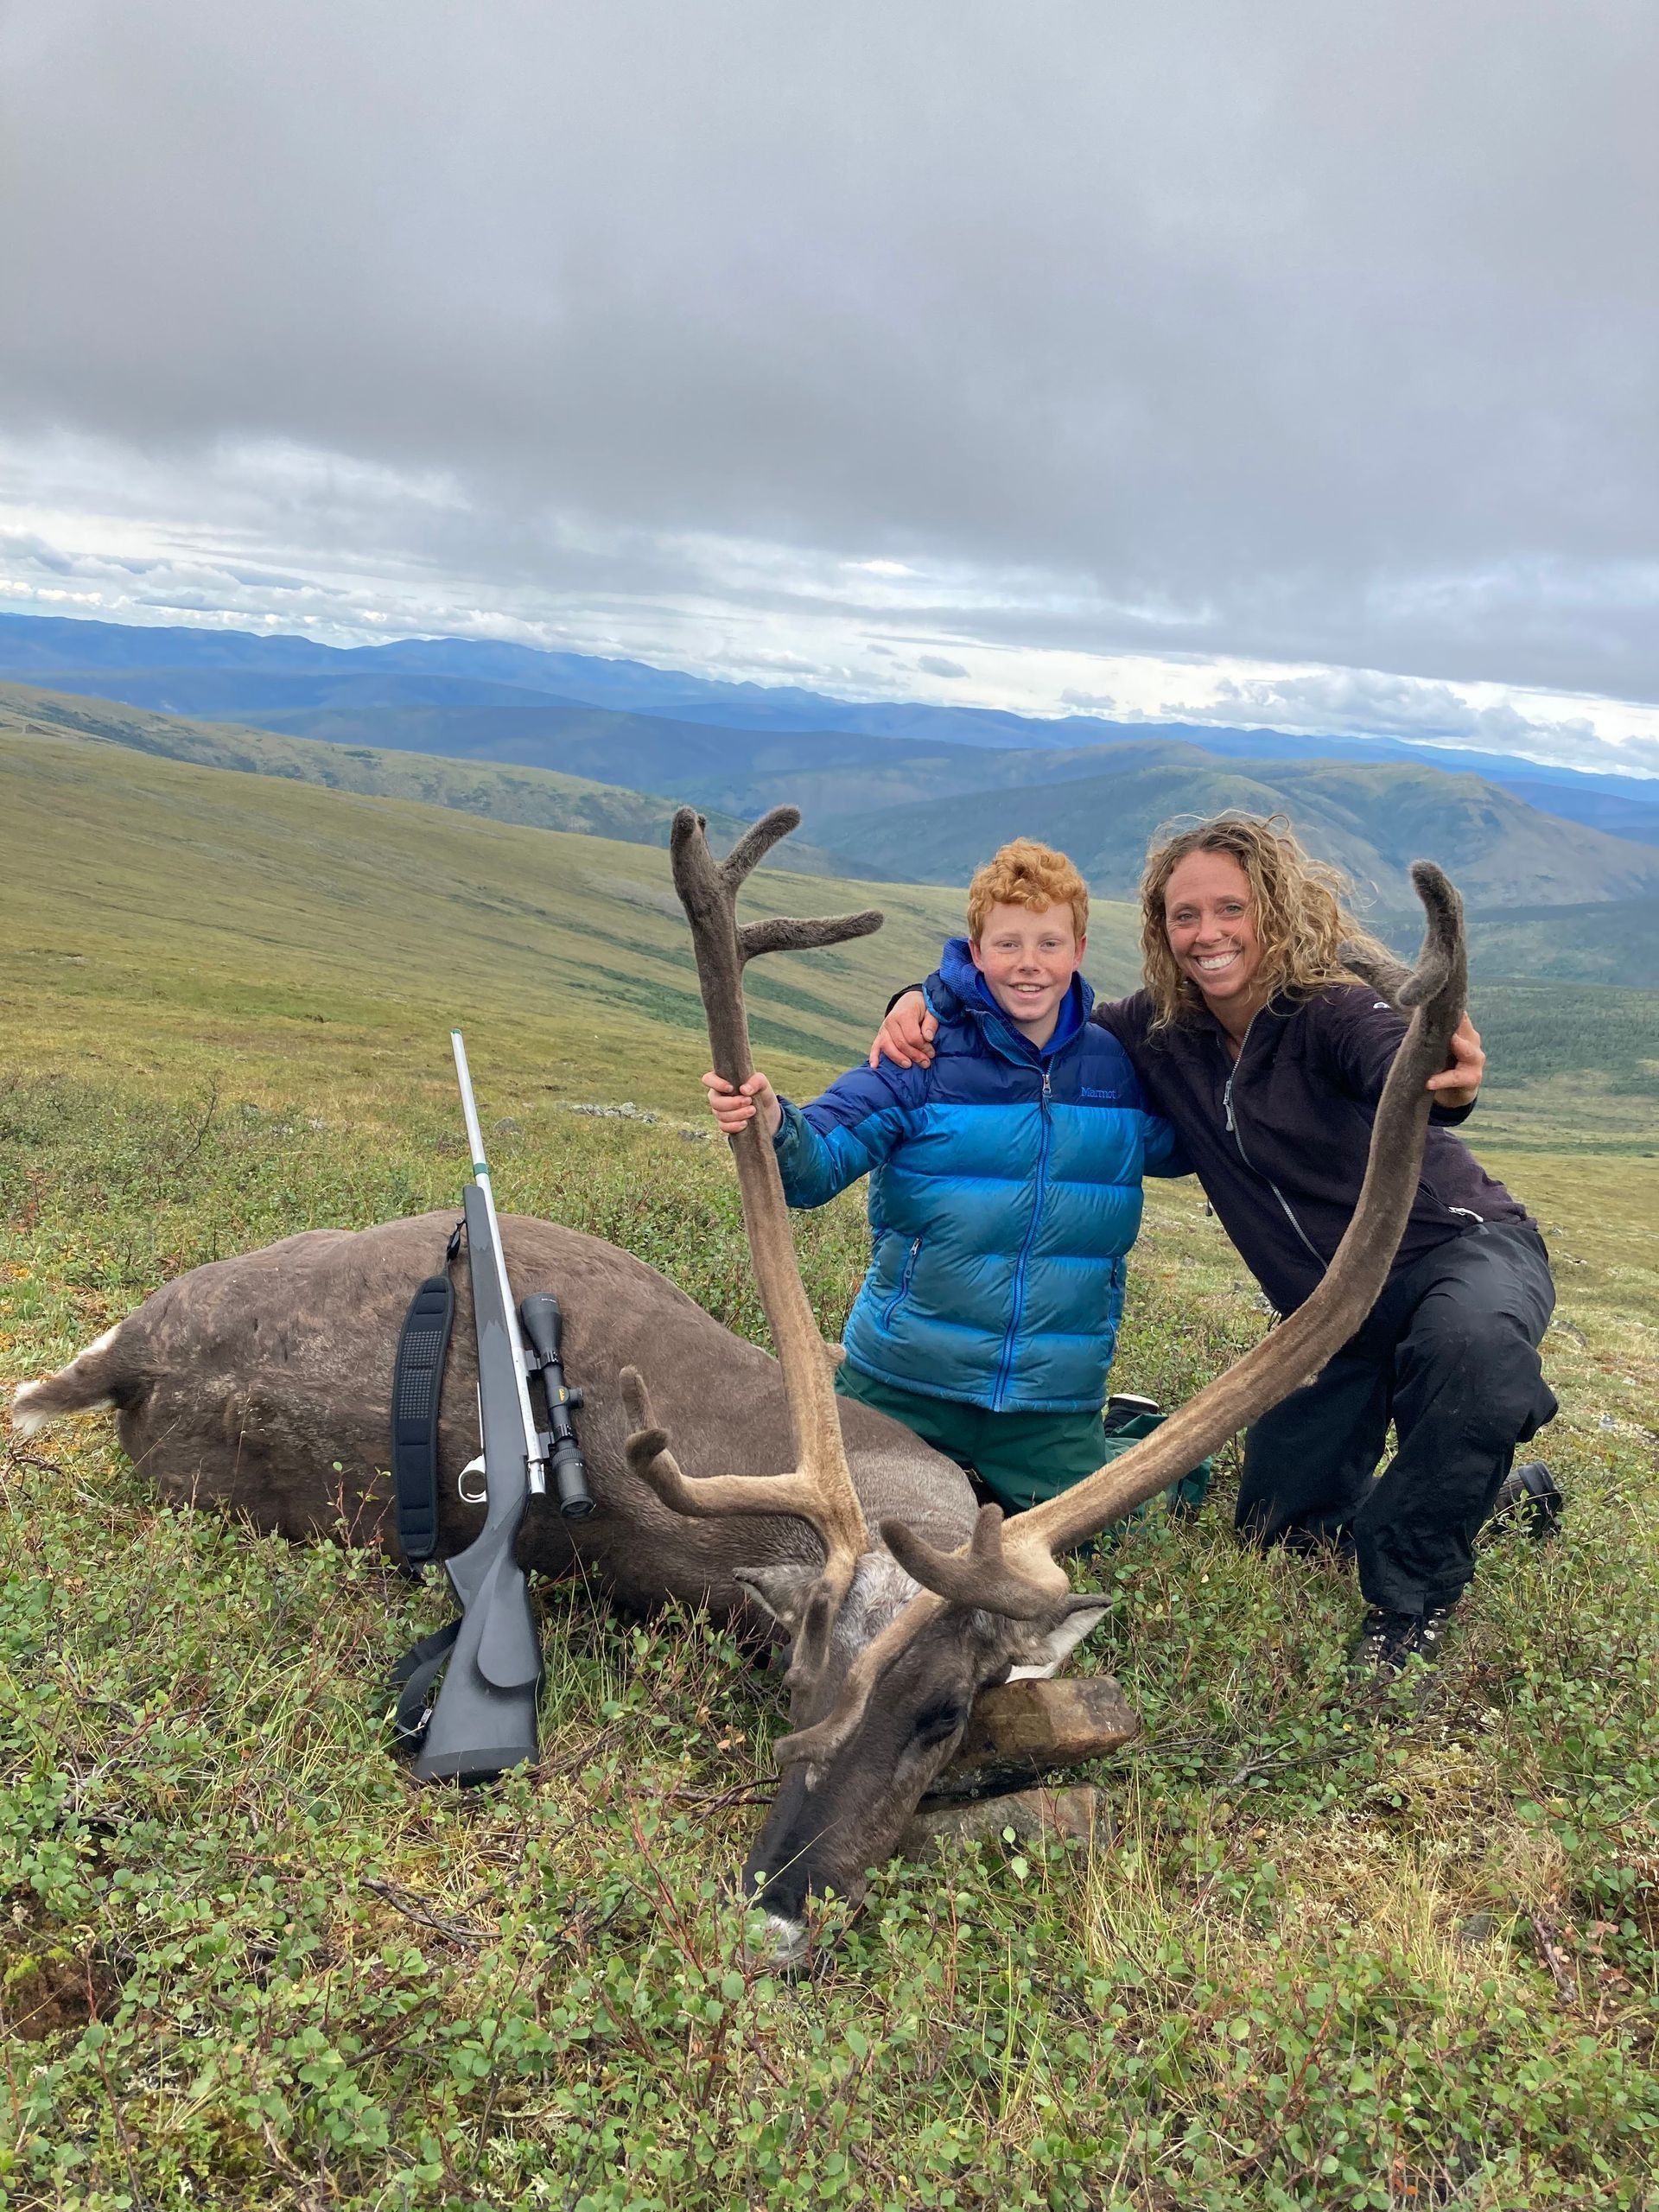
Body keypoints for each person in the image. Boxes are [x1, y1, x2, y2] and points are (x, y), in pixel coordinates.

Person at [872, 813, 1557, 1686]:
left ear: (1271, 909)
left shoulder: (1334, 1010)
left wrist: (1437, 1065)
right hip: (1331, 1318)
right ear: (1162, 931)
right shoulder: (1159, 1032)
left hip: (1457, 1252)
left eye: (1228, 909)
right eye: (1183, 916)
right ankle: (1495, 1498)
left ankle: (1410, 1611)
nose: (1208, 934)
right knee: (1280, 1532)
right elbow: (1029, 1003)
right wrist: (917, 1000)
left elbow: (1402, 1058)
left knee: (1473, 1355)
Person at [703, 838, 1193, 1516]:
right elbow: (815, 1166)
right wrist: (770, 1123)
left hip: (1046, 1400)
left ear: (1079, 951)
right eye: (1008, 944)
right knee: (819, 1524)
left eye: (1050, 945)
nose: (1029, 965)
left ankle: (1128, 1437)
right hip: (904, 1382)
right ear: (975, 950)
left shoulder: (1118, 1070)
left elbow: (1194, 1143)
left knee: (1122, 1540)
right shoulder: (921, 1055)